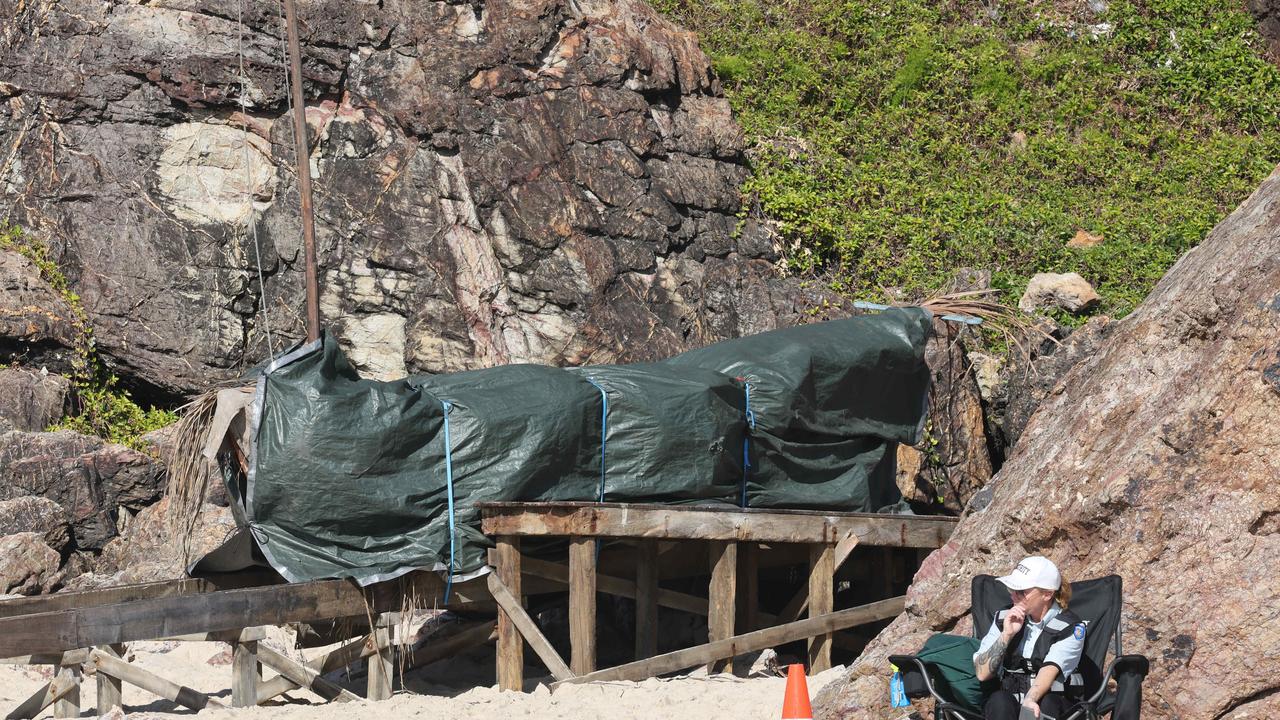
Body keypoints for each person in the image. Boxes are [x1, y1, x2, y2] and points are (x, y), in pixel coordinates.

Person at [972, 556, 1086, 720]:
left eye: (1021, 592)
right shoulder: (1003, 618)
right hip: (1009, 705)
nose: (1013, 596)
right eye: (1011, 590)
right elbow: (982, 674)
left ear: (1047, 594)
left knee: (1048, 703)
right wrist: (1006, 635)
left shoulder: (1072, 628)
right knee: (999, 700)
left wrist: (1030, 700)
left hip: (1051, 704)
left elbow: (1049, 671)